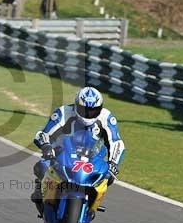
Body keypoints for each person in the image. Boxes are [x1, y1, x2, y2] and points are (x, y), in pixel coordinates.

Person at [30, 86, 125, 216]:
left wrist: (113, 163)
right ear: (76, 105)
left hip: (91, 157)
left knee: (108, 177)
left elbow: (117, 143)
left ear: (100, 108)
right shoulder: (63, 112)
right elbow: (43, 134)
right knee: (41, 166)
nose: (88, 114)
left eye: (93, 111)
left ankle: (92, 205)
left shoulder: (107, 117)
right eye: (84, 110)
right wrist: (46, 146)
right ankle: (41, 192)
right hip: (62, 153)